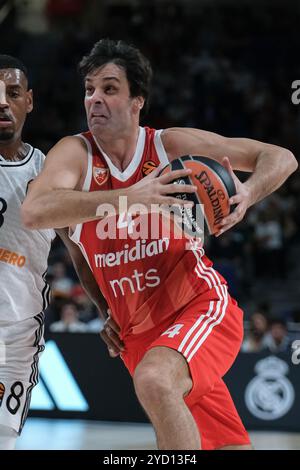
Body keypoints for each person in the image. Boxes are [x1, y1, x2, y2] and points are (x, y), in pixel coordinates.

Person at [22, 39, 298, 450]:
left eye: (110, 88)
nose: (94, 98)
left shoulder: (167, 146)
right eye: (89, 89)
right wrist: (104, 308)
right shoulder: (74, 154)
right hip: (139, 334)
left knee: (154, 380)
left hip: (199, 307)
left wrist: (248, 195)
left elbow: (281, 157)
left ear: (138, 101)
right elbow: (38, 214)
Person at [0, 53, 189, 450]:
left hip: (16, 334)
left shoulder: (49, 172)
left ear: (28, 101)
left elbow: (79, 251)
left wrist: (109, 313)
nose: (3, 101)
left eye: (12, 93)